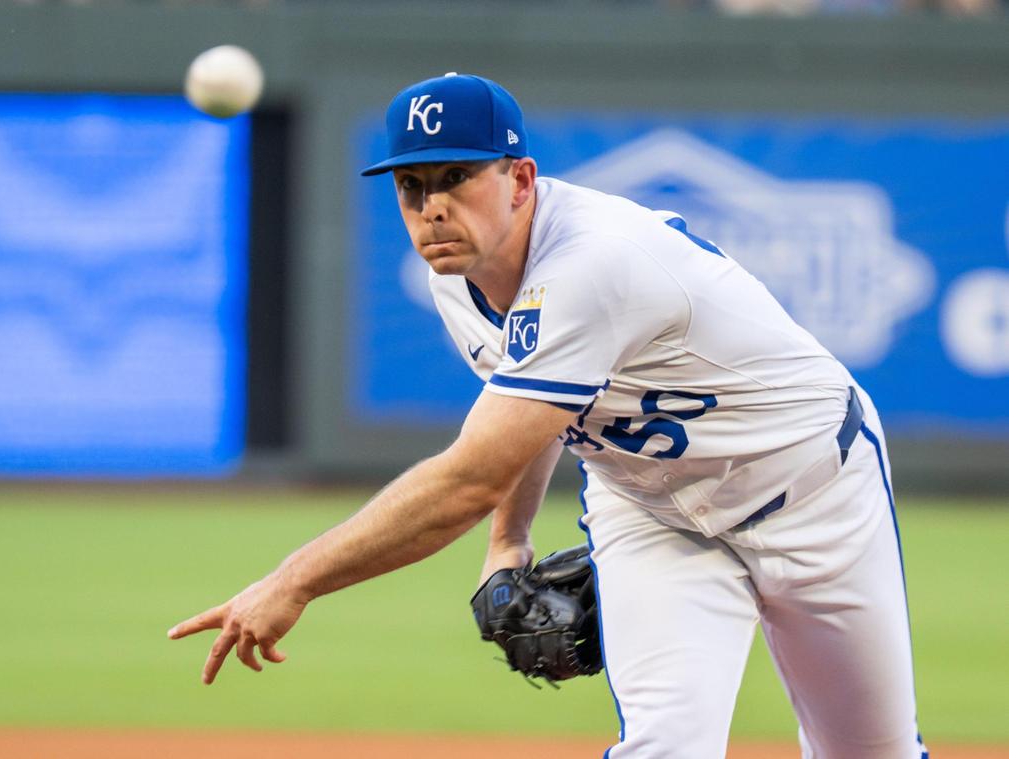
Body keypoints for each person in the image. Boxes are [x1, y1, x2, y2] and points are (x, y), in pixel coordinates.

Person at [169, 73, 928, 758]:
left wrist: (294, 580)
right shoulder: (458, 269)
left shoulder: (594, 261)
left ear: (521, 178)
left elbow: (469, 477)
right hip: (653, 510)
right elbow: (525, 405)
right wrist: (511, 538)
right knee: (666, 745)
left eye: (457, 177)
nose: (432, 206)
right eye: (411, 185)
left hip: (811, 492)